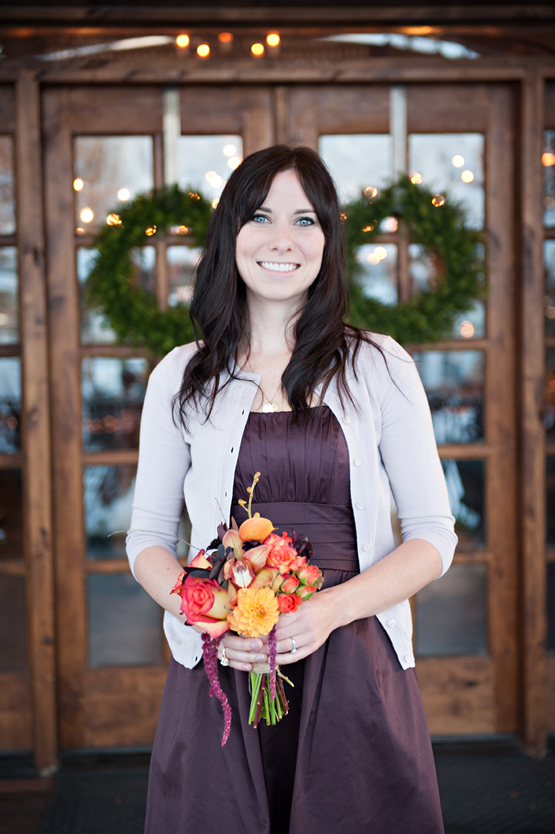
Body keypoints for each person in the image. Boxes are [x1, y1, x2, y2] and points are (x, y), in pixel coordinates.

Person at [126, 144, 457, 834]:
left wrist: (329, 611)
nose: (283, 239)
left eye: (305, 220)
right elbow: (148, 540)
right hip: (225, 659)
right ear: (231, 235)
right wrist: (210, 614)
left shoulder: (377, 366)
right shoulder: (180, 376)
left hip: (353, 655)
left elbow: (433, 533)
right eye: (261, 216)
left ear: (328, 240)